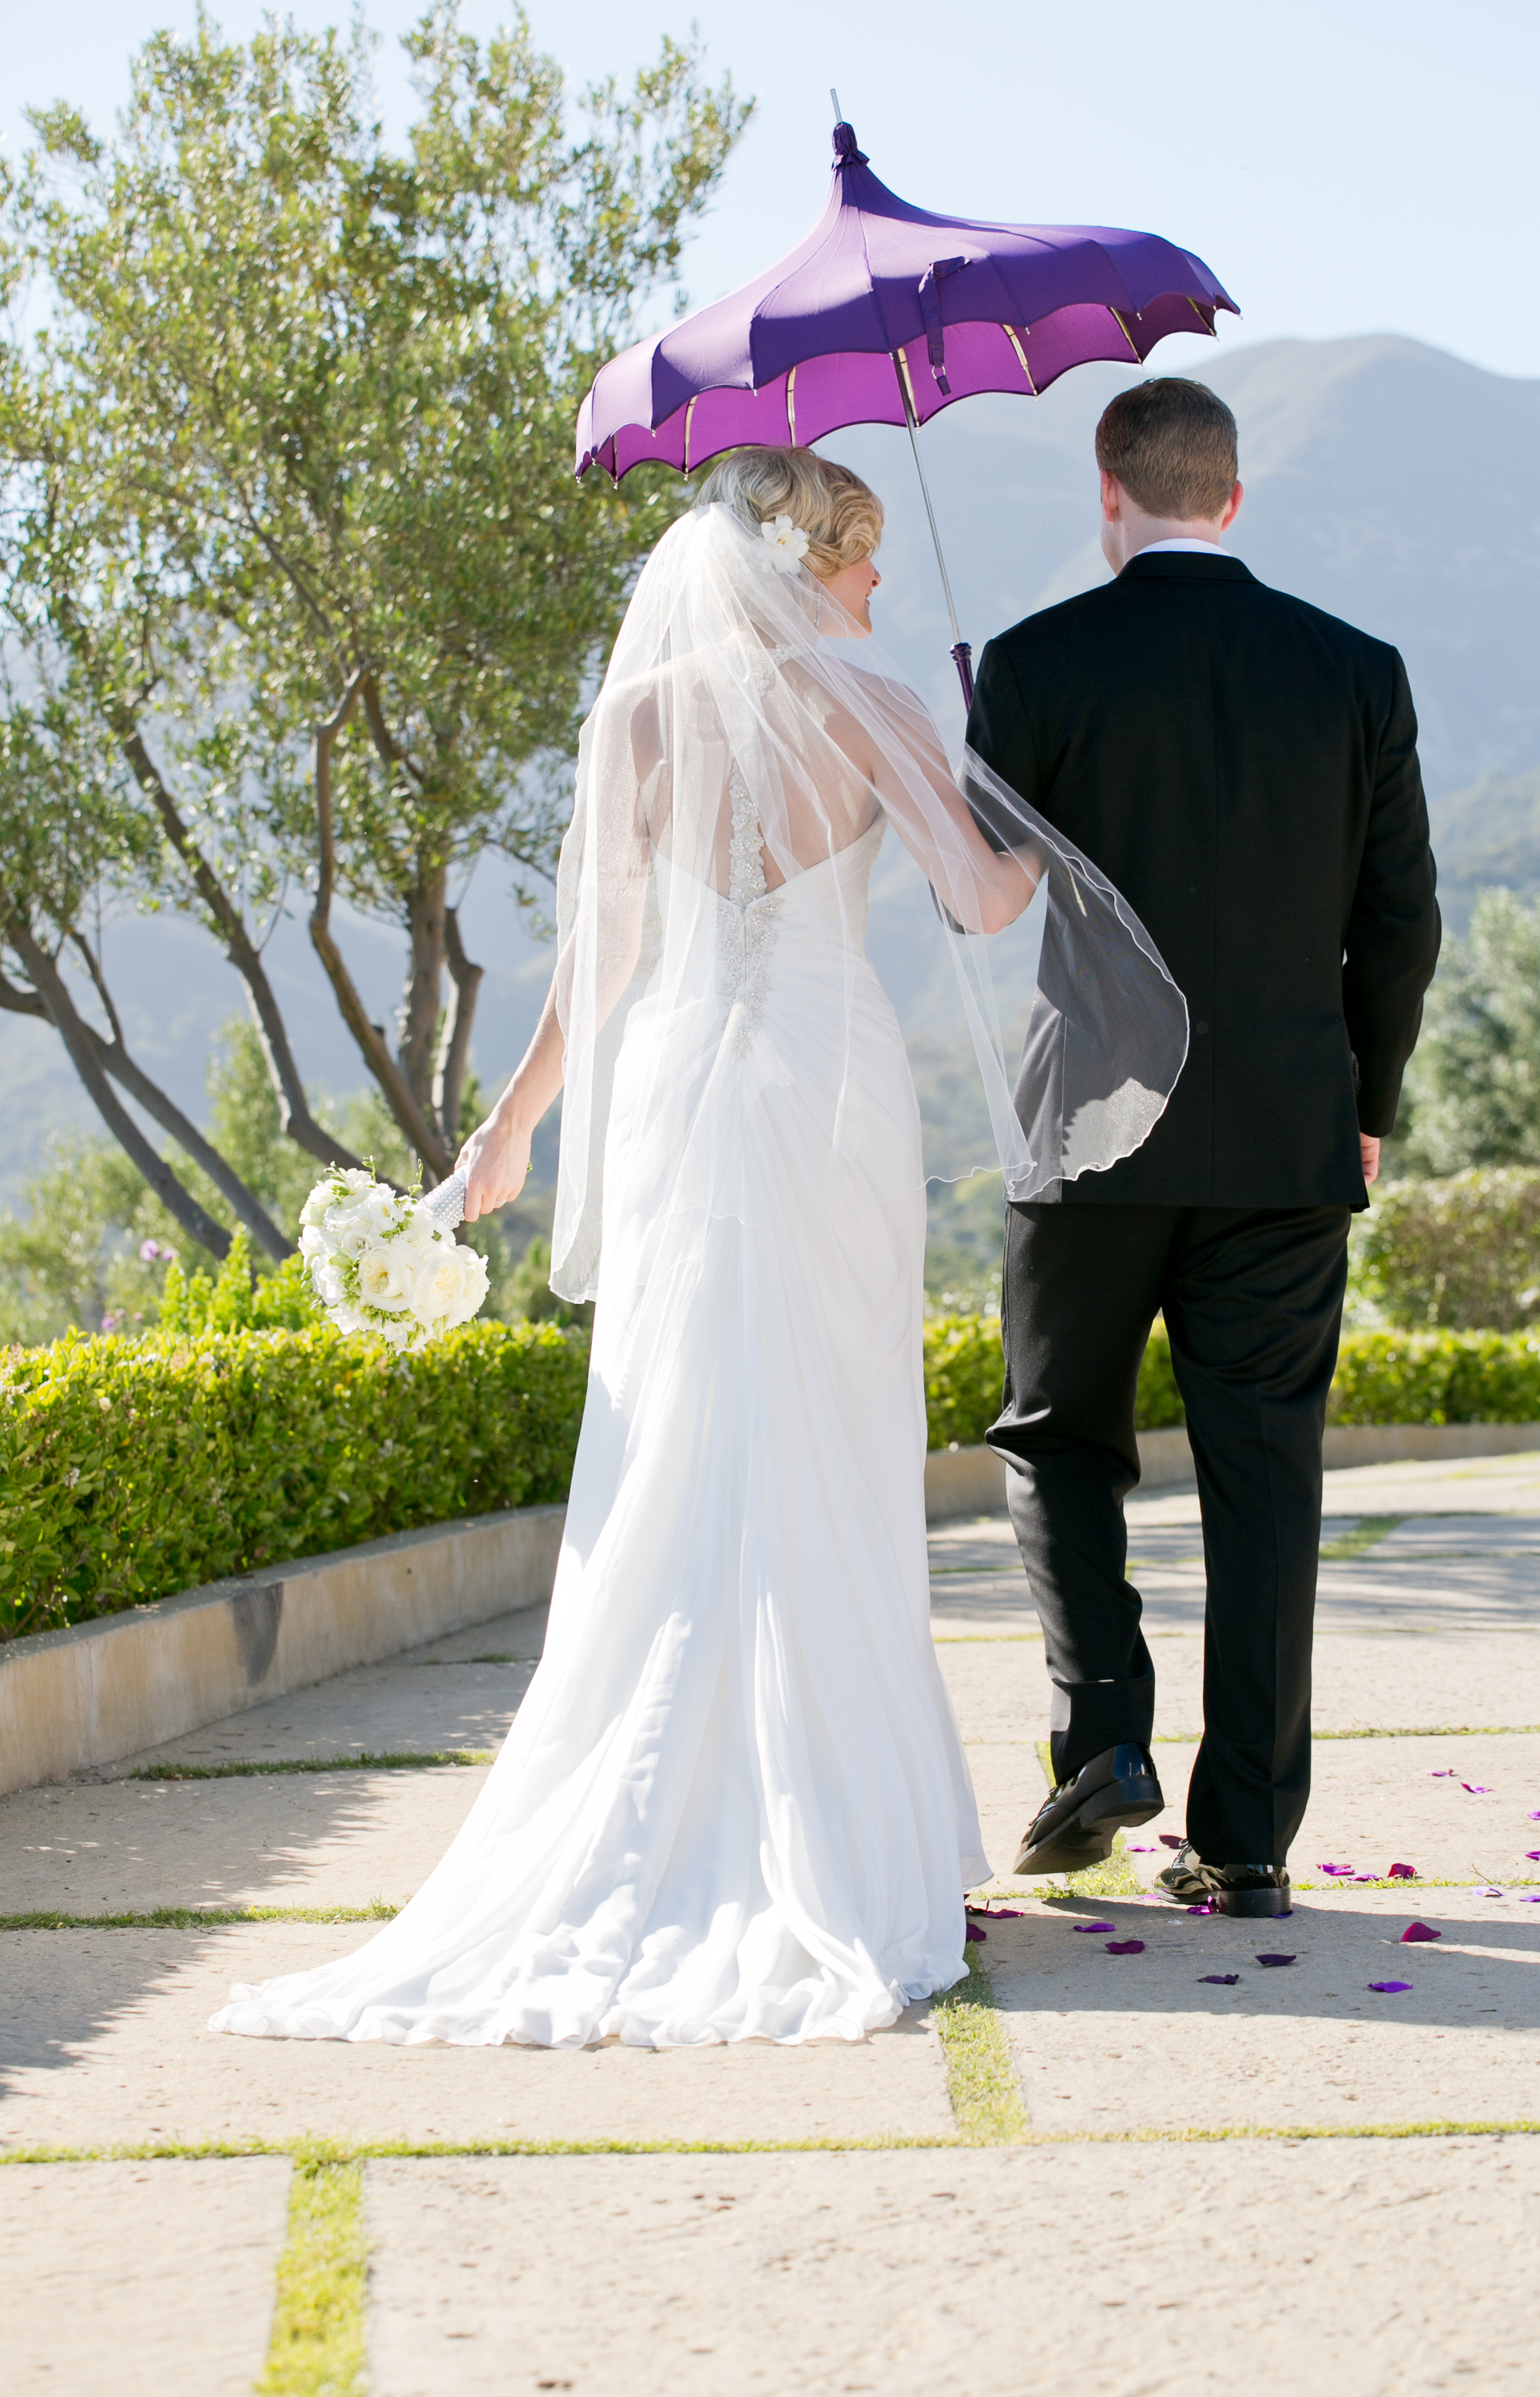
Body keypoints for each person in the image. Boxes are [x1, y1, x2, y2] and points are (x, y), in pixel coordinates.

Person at [210, 448, 1185, 2051]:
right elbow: (987, 905)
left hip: (670, 1087)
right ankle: (839, 1825)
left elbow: (596, 958)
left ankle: (664, 1807)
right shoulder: (873, 704)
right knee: (827, 1431)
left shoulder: (637, 715)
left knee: (678, 1432)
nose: (877, 595)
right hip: (829, 1082)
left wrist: (513, 1128)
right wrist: (1006, 794)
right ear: (815, 567)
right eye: (863, 570)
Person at [966, 377, 1440, 1916]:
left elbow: (975, 896)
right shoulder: (1357, 672)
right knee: (1265, 1480)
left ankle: (1104, 1735)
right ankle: (1244, 1841)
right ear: (1230, 499)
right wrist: (1364, 1110)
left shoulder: (1037, 663)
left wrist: (987, 737)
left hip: (1092, 1135)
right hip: (1288, 1140)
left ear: (1109, 496)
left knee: (1057, 1441)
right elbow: (1401, 926)